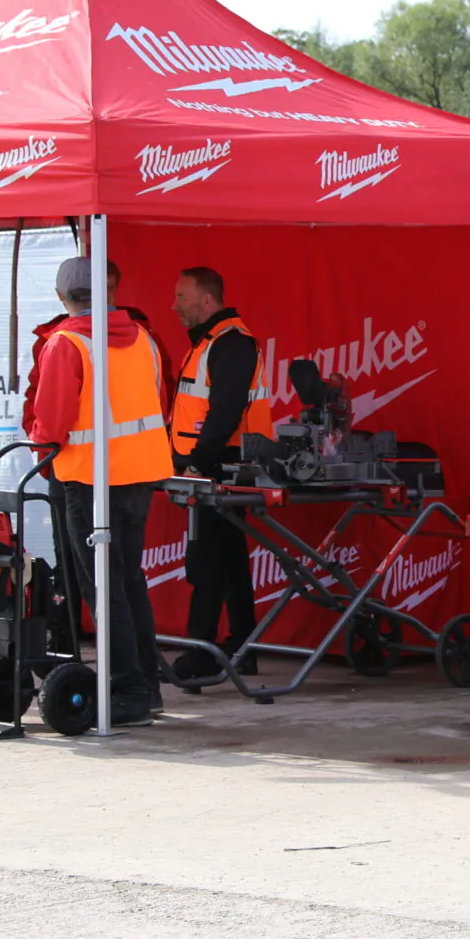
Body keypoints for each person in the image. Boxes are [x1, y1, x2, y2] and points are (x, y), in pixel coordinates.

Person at [24, 254, 170, 724]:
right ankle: (146, 686)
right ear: (107, 293)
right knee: (129, 583)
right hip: (139, 475)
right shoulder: (143, 338)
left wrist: (43, 452)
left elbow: (52, 420)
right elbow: (159, 402)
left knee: (103, 589)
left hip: (88, 478)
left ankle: (127, 690)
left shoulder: (66, 342)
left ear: (62, 297)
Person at [168, 266, 273, 673]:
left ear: (207, 300)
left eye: (181, 296)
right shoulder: (211, 342)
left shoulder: (230, 343)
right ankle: (241, 649)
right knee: (228, 560)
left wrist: (197, 464)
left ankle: (202, 653)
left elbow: (225, 411)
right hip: (216, 463)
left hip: (221, 466)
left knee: (208, 560)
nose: (175, 305)